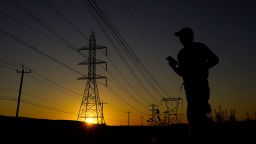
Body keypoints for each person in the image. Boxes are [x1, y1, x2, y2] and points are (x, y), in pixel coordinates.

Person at [166, 27, 219, 144]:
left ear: (186, 37)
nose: (180, 39)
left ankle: (201, 139)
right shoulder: (182, 53)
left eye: (181, 37)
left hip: (199, 88)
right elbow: (181, 73)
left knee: (198, 116)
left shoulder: (198, 48)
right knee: (195, 117)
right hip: (191, 90)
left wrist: (202, 67)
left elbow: (215, 60)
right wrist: (172, 66)